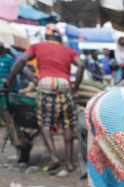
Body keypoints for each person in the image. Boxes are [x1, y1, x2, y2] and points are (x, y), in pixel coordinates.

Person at [4, 26, 85, 173]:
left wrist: (9, 83)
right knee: (67, 124)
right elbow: (81, 65)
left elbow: (21, 60)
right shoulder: (69, 50)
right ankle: (69, 162)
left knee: (44, 123)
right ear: (59, 37)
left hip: (45, 85)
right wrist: (75, 88)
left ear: (46, 37)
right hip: (65, 85)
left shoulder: (36, 46)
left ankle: (54, 156)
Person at [0, 41, 22, 158]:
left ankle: (15, 135)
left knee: (9, 111)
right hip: (2, 93)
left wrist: (8, 87)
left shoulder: (8, 59)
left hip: (11, 91)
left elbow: (14, 74)